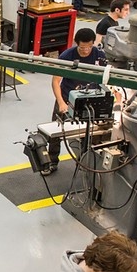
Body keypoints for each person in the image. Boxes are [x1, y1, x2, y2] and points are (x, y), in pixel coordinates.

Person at [45, 27, 106, 171]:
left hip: (89, 100)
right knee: (56, 130)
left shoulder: (99, 55)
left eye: (89, 47)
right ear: (76, 44)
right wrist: (61, 102)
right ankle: (52, 161)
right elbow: (55, 81)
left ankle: (84, 160)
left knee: (89, 132)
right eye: (82, 47)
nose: (86, 51)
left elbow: (105, 78)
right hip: (67, 97)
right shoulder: (67, 57)